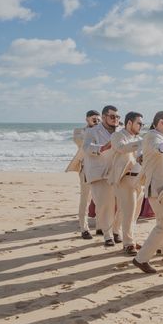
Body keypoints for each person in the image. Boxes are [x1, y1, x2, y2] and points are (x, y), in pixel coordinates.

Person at [133, 111, 163, 274]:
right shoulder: (152, 136)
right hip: (158, 189)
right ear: (161, 122)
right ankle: (141, 259)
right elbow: (156, 149)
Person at [83, 105, 122, 247]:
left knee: (122, 205)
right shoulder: (92, 131)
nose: (116, 119)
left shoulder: (121, 131)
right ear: (104, 117)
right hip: (100, 173)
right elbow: (86, 148)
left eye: (118, 117)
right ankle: (108, 235)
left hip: (119, 172)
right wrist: (102, 147)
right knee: (106, 205)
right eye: (112, 116)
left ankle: (116, 231)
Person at [107, 111, 144, 255]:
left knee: (133, 212)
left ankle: (117, 232)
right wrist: (141, 143)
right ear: (129, 123)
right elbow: (121, 148)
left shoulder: (139, 138)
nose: (141, 126)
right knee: (129, 211)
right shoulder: (117, 135)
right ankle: (128, 243)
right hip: (125, 178)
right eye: (139, 123)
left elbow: (140, 156)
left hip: (139, 179)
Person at [65, 110, 100, 239]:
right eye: (93, 119)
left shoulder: (101, 131)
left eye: (98, 119)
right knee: (85, 200)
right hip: (86, 170)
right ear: (87, 119)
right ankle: (84, 228)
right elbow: (83, 144)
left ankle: (101, 226)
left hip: (100, 170)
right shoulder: (79, 132)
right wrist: (94, 129)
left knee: (100, 200)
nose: (96, 121)